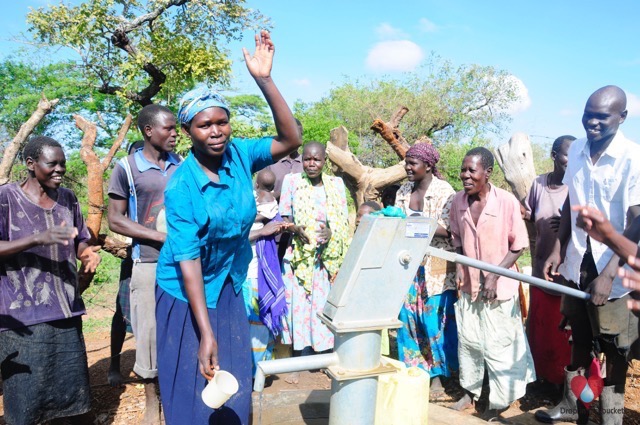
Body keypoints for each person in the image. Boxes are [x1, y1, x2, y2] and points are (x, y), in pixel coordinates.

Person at [155, 30, 301, 425]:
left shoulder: (239, 155)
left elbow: (291, 138)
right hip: (186, 293)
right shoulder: (182, 187)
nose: (216, 131)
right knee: (194, 380)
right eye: (205, 125)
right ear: (187, 131)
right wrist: (205, 332)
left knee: (235, 376)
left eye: (222, 122)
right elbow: (187, 261)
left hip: (229, 281)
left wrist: (264, 80)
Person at [537, 86, 640, 425]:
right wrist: (557, 247)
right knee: (578, 339)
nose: (592, 123)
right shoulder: (578, 149)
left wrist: (610, 273)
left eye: (602, 117)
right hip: (578, 259)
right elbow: (571, 201)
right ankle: (572, 407)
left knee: (614, 350)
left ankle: (611, 418)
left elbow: (636, 220)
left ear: (622, 118)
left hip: (616, 269)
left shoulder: (633, 158)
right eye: (587, 114)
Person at [0, 136, 101, 425]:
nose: (60, 170)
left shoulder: (67, 198)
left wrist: (86, 254)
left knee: (70, 399)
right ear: (30, 164)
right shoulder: (6, 198)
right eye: (52, 164)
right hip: (22, 318)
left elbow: (81, 240)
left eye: (63, 164)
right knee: (24, 402)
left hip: (66, 310)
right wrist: (36, 238)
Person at [107, 104, 181, 424]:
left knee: (180, 331)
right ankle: (153, 402)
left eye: (176, 128)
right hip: (148, 261)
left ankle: (178, 397)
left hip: (184, 262)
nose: (176, 134)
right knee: (149, 335)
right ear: (149, 131)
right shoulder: (126, 168)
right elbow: (115, 220)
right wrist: (159, 237)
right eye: (169, 128)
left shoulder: (184, 166)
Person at [449, 147, 535, 418]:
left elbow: (518, 245)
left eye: (471, 170)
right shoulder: (457, 202)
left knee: (500, 344)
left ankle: (499, 401)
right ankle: (471, 392)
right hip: (469, 287)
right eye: (463, 170)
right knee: (470, 341)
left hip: (500, 289)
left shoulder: (506, 201)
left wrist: (494, 276)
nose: (465, 175)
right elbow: (456, 240)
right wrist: (461, 266)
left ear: (487, 173)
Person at [393, 142, 458, 400]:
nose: (407, 167)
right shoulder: (403, 190)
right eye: (406, 162)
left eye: (413, 163)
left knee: (434, 322)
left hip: (436, 264)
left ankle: (439, 380)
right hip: (408, 263)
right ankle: (415, 374)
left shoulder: (445, 191)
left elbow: (452, 231)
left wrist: (419, 226)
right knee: (408, 320)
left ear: (429, 165)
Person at [279, 141, 349, 365]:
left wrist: (331, 232)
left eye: (316, 159)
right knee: (300, 304)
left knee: (321, 304)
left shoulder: (336, 184)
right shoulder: (292, 182)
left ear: (324, 162)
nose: (311, 164)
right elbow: (285, 217)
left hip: (326, 258)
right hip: (301, 256)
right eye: (307, 159)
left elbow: (342, 220)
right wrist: (294, 229)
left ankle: (323, 352)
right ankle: (302, 353)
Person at [523, 135, 575, 390]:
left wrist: (567, 224)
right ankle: (541, 376)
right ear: (554, 155)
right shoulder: (539, 184)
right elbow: (529, 216)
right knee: (541, 328)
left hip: (567, 272)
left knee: (562, 330)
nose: (571, 160)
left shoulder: (577, 186)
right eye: (566, 154)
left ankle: (562, 384)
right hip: (540, 266)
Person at [243, 169, 289, 377]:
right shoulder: (250, 207)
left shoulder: (269, 208)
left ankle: (257, 372)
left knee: (258, 324)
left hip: (254, 274)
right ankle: (254, 370)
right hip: (246, 274)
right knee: (254, 324)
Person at [108, 139, 143, 387]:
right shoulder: (126, 181)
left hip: (160, 255)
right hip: (133, 255)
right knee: (122, 312)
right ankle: (113, 365)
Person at [264, 118, 304, 263]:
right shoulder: (271, 162)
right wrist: (283, 193)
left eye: (298, 135)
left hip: (301, 229)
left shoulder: (306, 163)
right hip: (276, 229)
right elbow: (261, 197)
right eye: (290, 135)